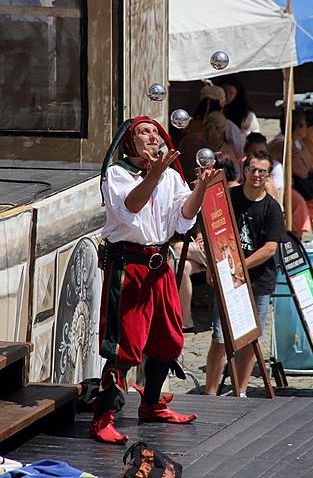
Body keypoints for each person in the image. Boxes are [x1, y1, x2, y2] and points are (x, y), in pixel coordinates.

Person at [91, 115, 219, 444]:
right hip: (129, 265)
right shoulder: (117, 174)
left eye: (155, 132)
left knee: (169, 340)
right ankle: (102, 416)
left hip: (158, 267)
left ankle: (150, 405)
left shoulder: (171, 176)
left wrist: (201, 189)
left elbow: (183, 219)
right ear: (129, 142)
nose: (152, 136)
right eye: (143, 132)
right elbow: (131, 207)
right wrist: (157, 173)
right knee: (124, 346)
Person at [205, 150, 287, 396]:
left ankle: (240, 392)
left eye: (263, 171)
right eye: (253, 169)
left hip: (258, 281)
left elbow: (270, 248)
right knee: (220, 338)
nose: (257, 175)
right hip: (227, 278)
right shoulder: (229, 197)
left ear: (268, 176)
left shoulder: (272, 208)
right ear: (245, 170)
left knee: (250, 340)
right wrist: (212, 265)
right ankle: (209, 394)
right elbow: (212, 231)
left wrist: (241, 265)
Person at [171, 155, 239, 332]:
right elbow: (204, 220)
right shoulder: (208, 189)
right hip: (207, 247)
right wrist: (201, 235)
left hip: (224, 249)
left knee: (177, 249)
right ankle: (185, 319)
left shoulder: (231, 191)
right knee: (182, 266)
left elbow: (225, 226)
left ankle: (213, 265)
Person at [270, 107, 313, 243]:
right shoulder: (281, 143)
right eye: (304, 125)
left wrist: (302, 157)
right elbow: (302, 172)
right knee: (299, 201)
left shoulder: (298, 142)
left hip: (295, 184)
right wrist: (302, 159)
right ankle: (297, 237)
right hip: (280, 186)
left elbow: (310, 165)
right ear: (297, 127)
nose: (306, 128)